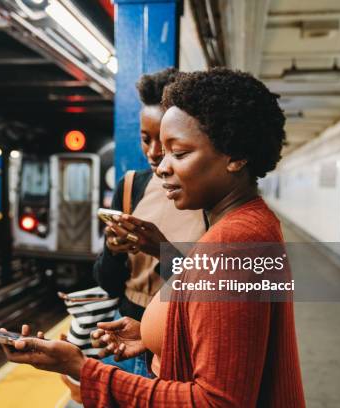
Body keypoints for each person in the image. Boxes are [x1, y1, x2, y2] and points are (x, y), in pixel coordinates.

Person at [0, 68, 306, 407]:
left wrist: (82, 368)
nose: (161, 166)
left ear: (235, 156)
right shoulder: (247, 225)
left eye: (180, 152)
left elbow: (217, 402)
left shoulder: (232, 246)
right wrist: (153, 337)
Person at [92, 67, 207, 376]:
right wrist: (113, 250)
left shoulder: (206, 198)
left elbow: (213, 288)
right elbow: (109, 283)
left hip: (178, 348)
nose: (154, 153)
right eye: (146, 139)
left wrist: (162, 250)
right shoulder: (131, 187)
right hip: (124, 342)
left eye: (167, 141)